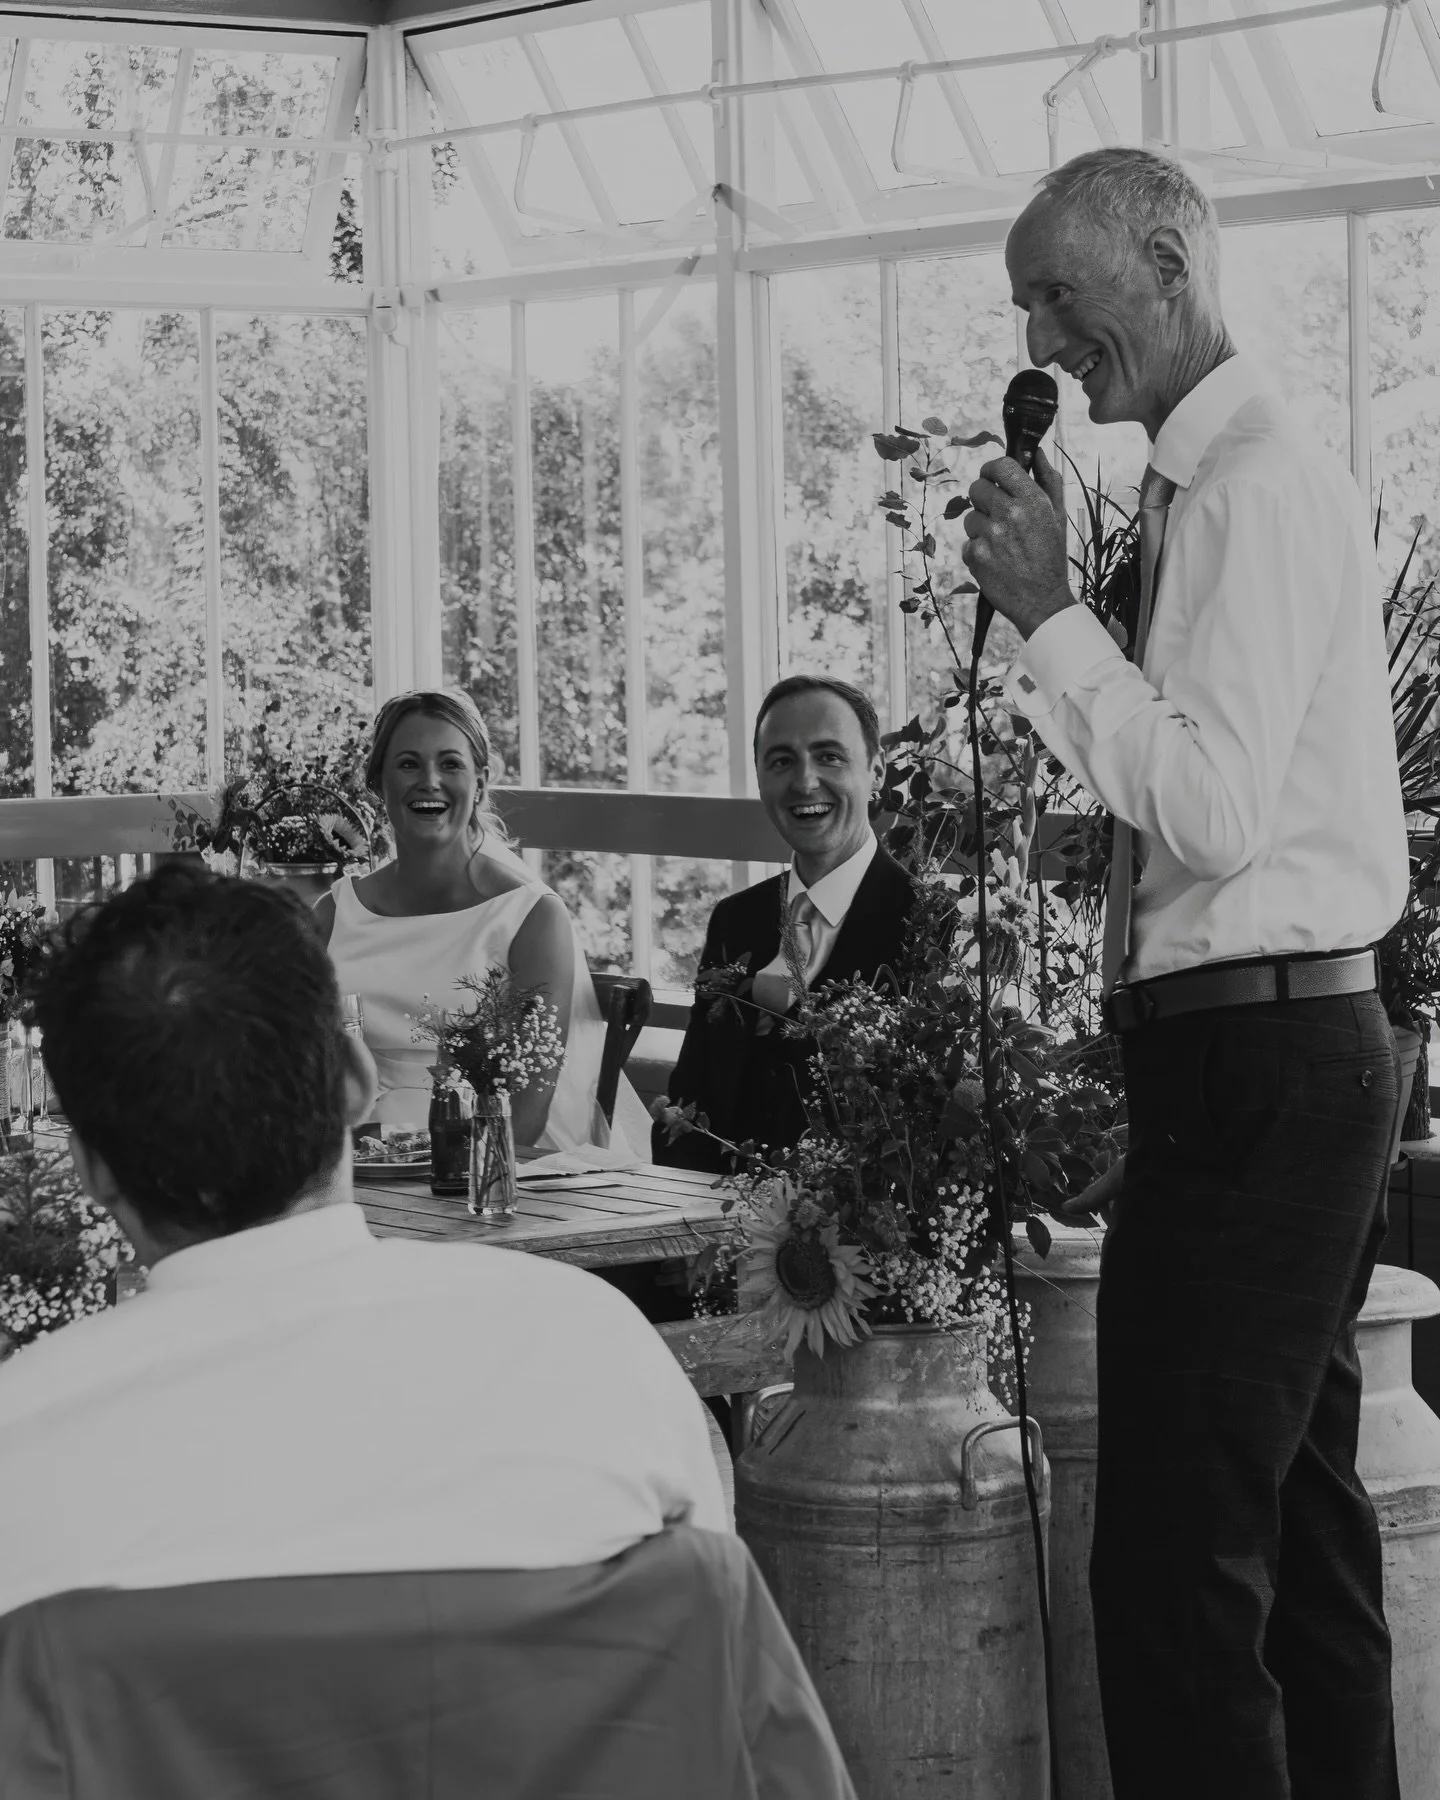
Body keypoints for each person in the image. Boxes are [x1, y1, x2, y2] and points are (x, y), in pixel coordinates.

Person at [963, 147, 1408, 1799]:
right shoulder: (1201, 487)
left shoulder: (1254, 488)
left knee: (1168, 1558)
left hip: (1267, 1073)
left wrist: (1050, 621)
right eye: (1024, 302)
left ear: (1165, 258)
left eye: (1057, 292)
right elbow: (1229, 796)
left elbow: (1213, 814)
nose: (1040, 335)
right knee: (1293, 1544)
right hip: (1268, 1058)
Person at [0, 864, 727, 1621]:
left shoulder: (22, 1445)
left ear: (88, 1165)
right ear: (356, 1081)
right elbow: (719, 1684)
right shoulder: (601, 1355)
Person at [316, 690, 649, 1157]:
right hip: (353, 1165)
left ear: (479, 782)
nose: (429, 781)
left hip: (484, 1168)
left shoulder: (530, 918)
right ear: (377, 783)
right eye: (408, 764)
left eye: (450, 764)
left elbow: (528, 1115)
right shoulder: (333, 914)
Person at [655, 675, 917, 1173]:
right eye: (781, 761)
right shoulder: (735, 920)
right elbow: (689, 1106)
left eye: (829, 756)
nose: (804, 782)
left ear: (877, 769)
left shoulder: (933, 926)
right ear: (759, 776)